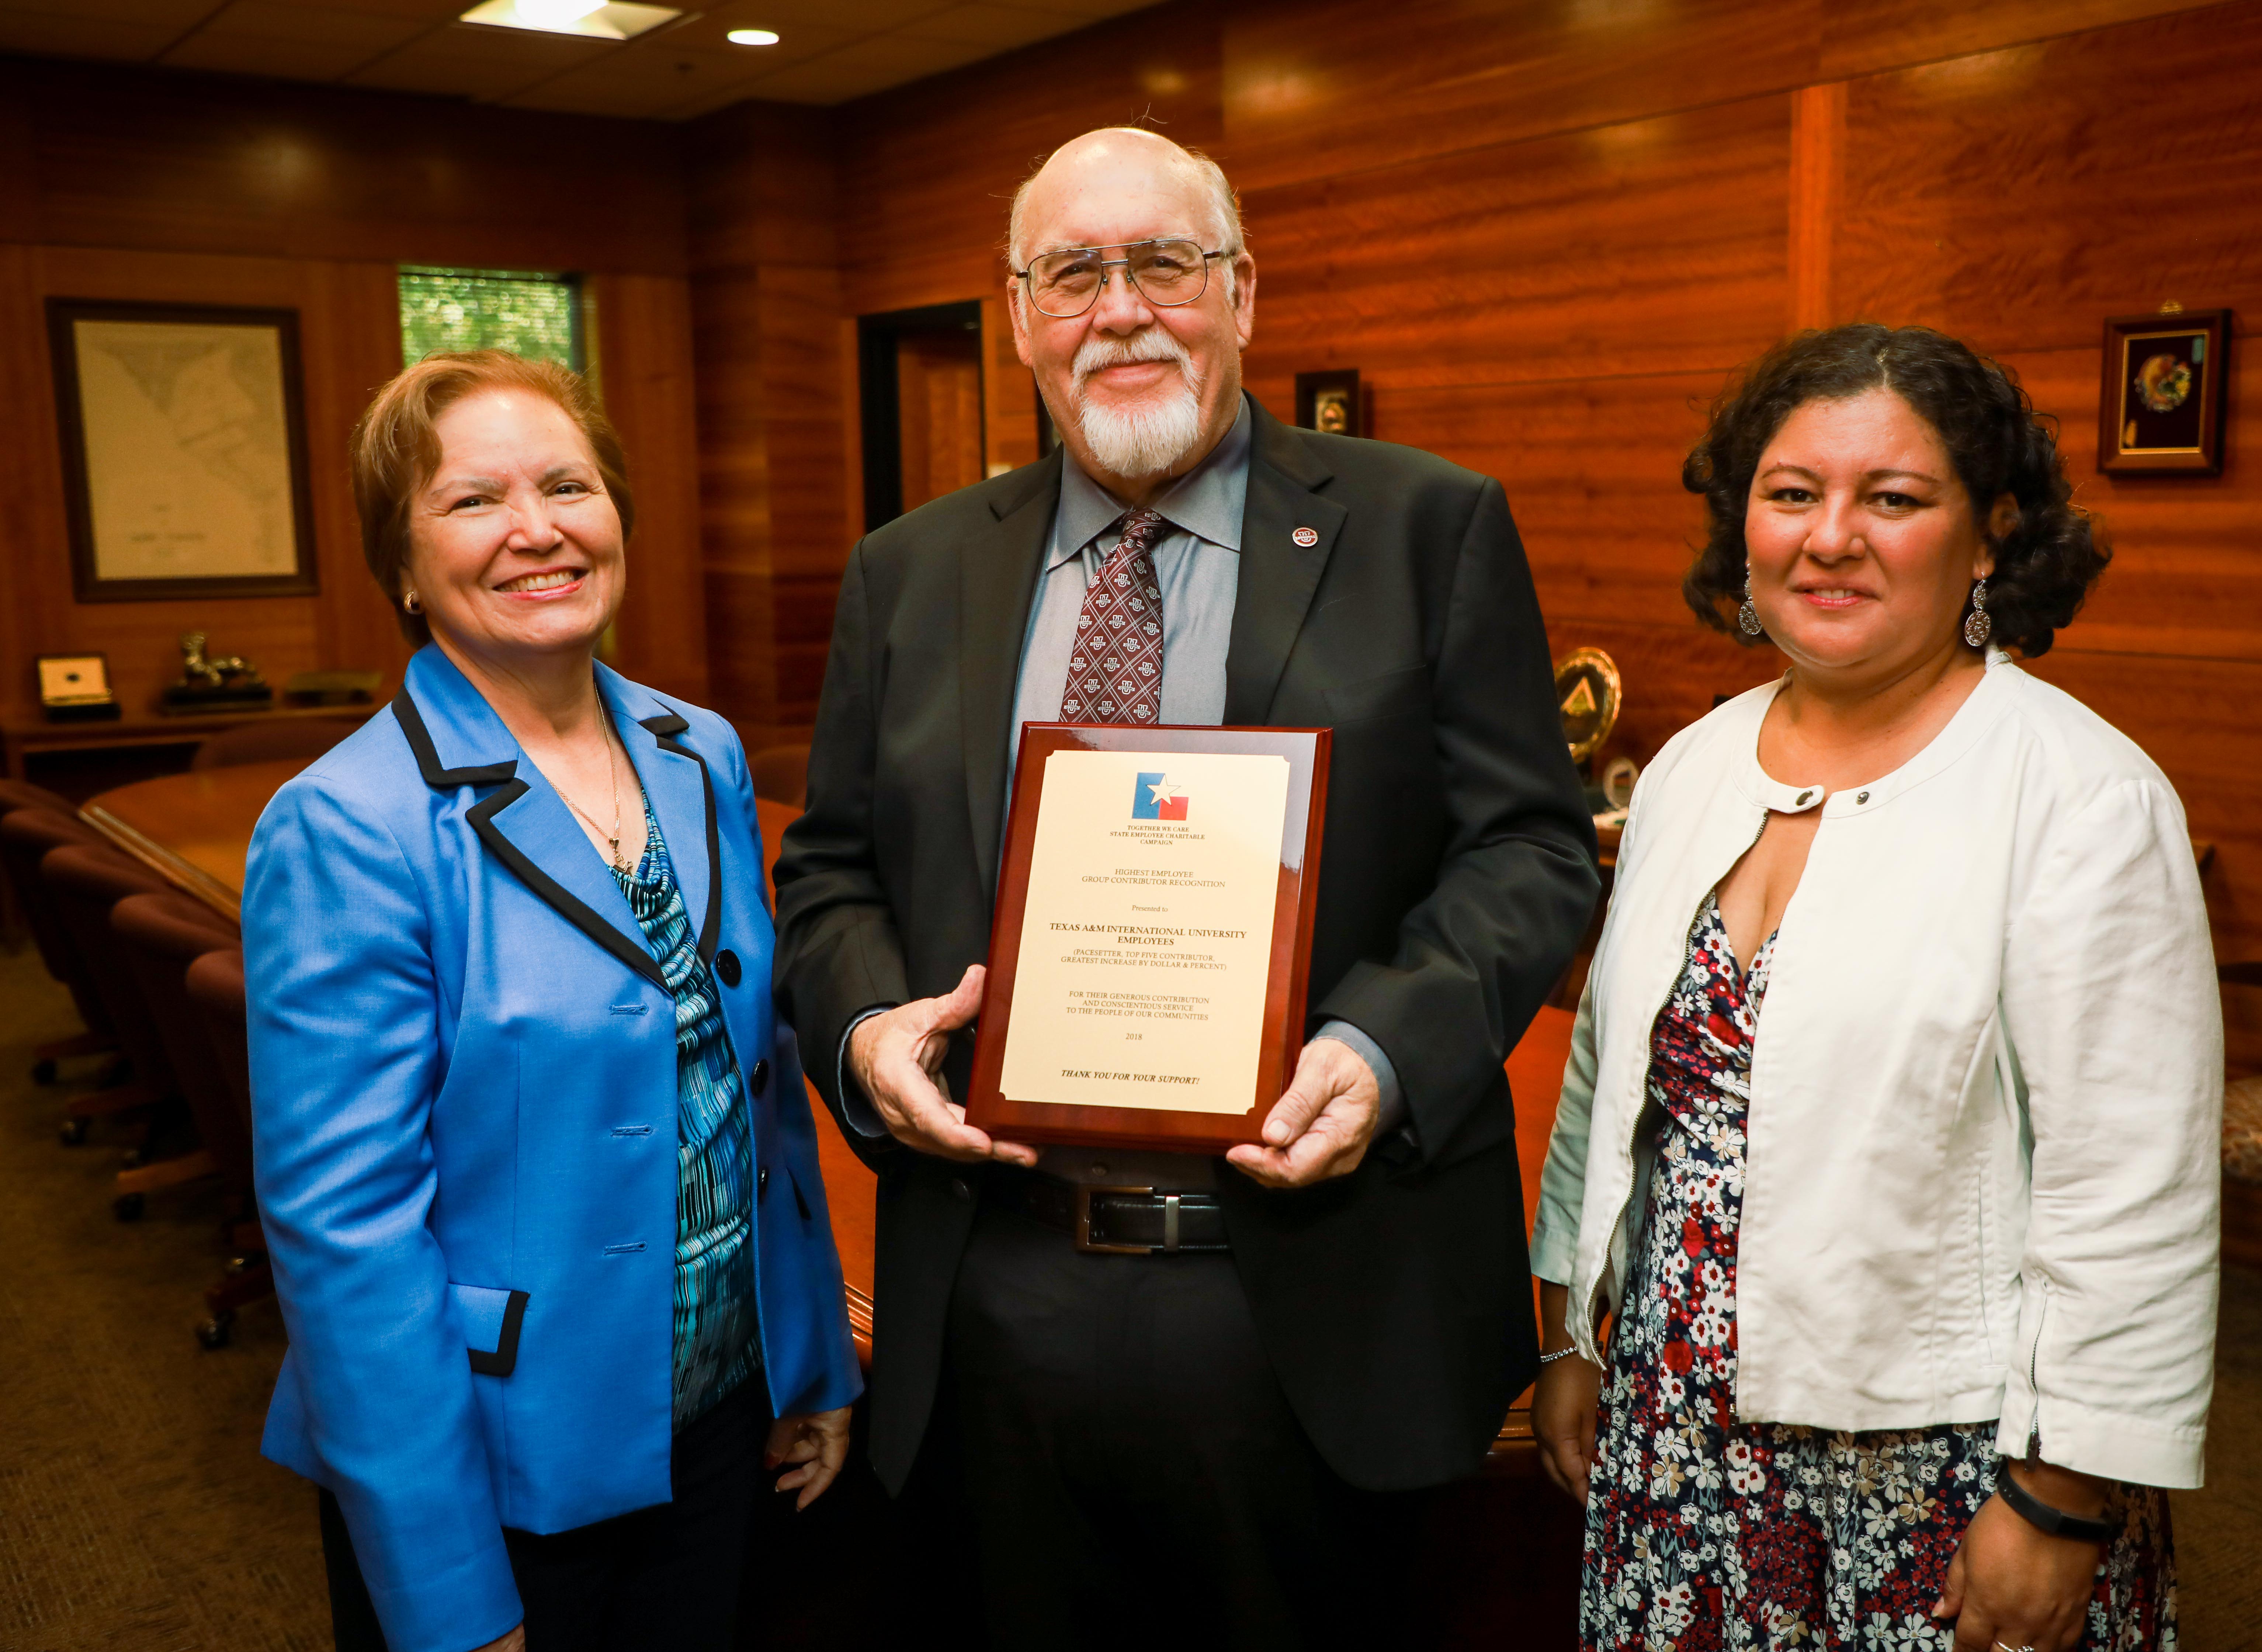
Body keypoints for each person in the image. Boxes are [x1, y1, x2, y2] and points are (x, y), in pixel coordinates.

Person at [774, 127, 1602, 1646]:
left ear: (1244, 292)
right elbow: (829, 871)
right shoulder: (911, 570)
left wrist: (1383, 1046)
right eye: (1074, 272)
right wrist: (870, 1026)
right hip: (999, 1285)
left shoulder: (1428, 528)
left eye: (1165, 262)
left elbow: (1532, 850)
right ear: (1020, 315)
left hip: (1312, 1284)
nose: (1123, 307)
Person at [1529, 324, 2220, 1652]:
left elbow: (2132, 1190)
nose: (1829, 536)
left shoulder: (2082, 799)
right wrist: (1573, 1333)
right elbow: (1609, 1087)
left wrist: (2062, 1501)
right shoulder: (1688, 770)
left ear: (1988, 536)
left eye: (1893, 499)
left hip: (1949, 1463)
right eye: (1792, 495)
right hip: (1680, 1430)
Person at [246, 351, 863, 1652]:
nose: (538, 530)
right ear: (404, 571)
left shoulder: (701, 751)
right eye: (473, 502)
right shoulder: (346, 827)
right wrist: (446, 1591)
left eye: (568, 485)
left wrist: (810, 1359)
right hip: (497, 1462)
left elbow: (753, 1091)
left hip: (718, 1421)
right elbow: (344, 1243)